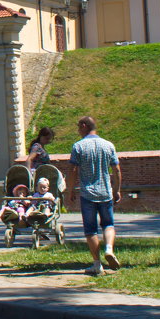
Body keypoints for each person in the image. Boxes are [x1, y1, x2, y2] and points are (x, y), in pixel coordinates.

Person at [69, 115, 122, 276]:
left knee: (91, 230)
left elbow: (72, 170)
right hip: (105, 192)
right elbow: (117, 170)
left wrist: (70, 189)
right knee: (108, 224)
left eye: (79, 127)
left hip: (87, 194)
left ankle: (97, 264)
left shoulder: (78, 146)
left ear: (84, 126)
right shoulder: (108, 145)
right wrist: (116, 189)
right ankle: (109, 249)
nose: (78, 131)